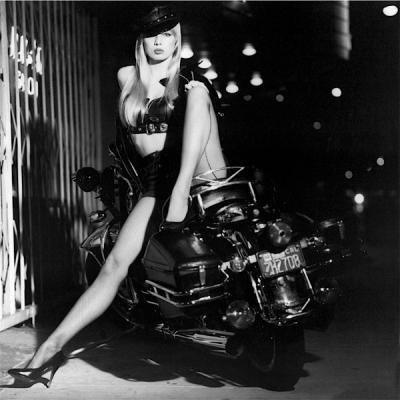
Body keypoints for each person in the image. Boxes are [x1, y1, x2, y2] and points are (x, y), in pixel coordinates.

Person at [8, 5, 225, 387]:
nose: (160, 42)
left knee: (198, 95)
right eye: (152, 34)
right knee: (114, 266)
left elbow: (203, 124)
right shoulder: (128, 78)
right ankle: (48, 351)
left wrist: (181, 188)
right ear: (141, 40)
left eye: (168, 34)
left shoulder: (190, 80)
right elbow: (127, 146)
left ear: (177, 39)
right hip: (155, 182)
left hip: (197, 174)